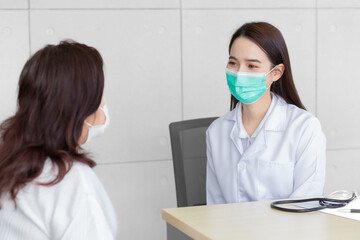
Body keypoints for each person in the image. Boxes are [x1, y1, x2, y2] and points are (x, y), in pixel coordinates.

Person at [0, 41, 117, 239]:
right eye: (100, 95)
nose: (103, 104)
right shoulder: (71, 183)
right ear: (80, 108)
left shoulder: (10, 165)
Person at [206, 22, 326, 205]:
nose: (239, 74)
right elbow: (215, 208)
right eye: (233, 63)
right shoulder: (216, 132)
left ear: (276, 73)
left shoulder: (304, 128)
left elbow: (306, 205)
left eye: (252, 66)